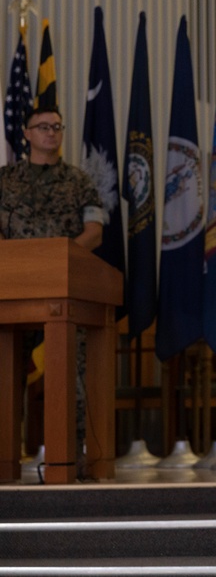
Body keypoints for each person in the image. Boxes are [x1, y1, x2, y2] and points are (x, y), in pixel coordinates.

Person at [0, 104, 106, 479]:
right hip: (13, 291)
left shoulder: (79, 181)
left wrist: (61, 259)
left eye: (57, 127)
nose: (51, 133)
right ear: (26, 134)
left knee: (73, 375)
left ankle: (74, 456)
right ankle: (4, 455)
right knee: (5, 372)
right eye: (43, 127)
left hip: (65, 290)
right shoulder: (4, 180)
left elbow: (95, 232)